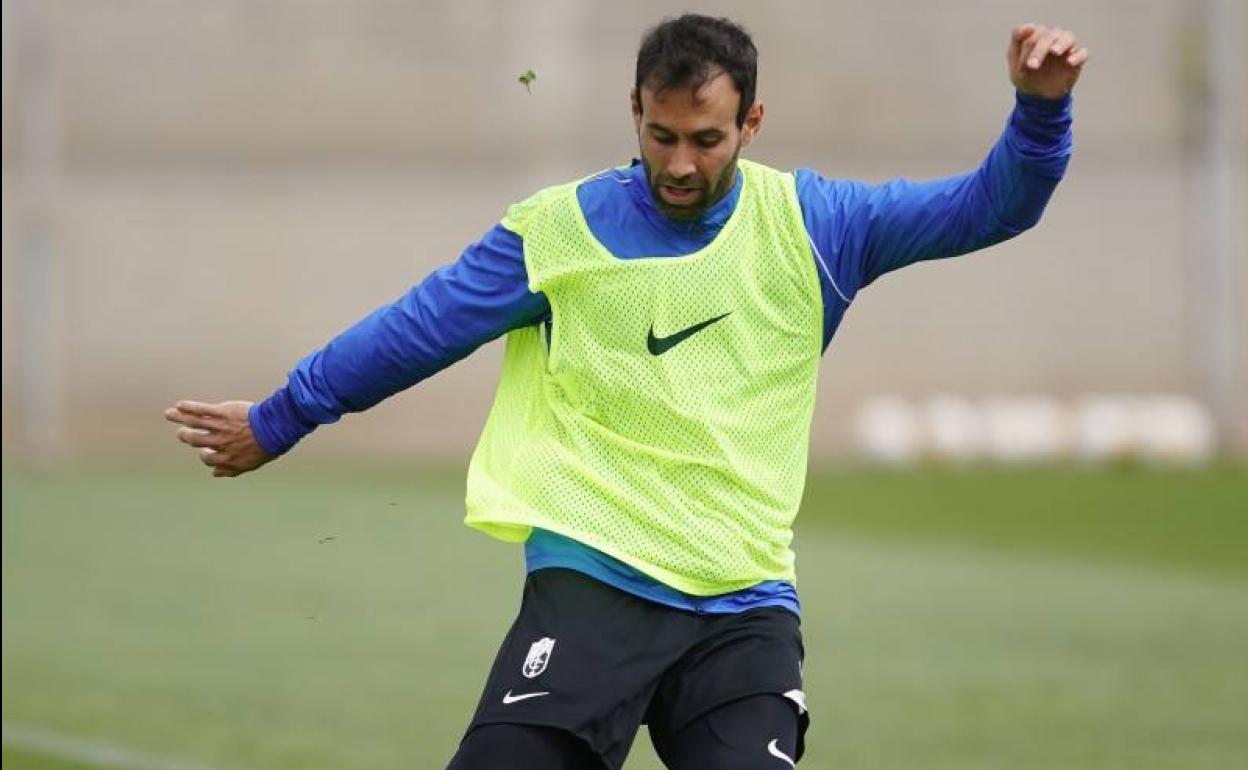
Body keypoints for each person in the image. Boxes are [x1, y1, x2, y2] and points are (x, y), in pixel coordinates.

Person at [165, 14, 1088, 769]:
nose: (680, 164)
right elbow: (419, 328)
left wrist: (1040, 111)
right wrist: (281, 417)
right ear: (634, 111)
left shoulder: (817, 226)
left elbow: (992, 205)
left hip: (743, 602)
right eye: (661, 135)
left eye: (707, 140)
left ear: (752, 124)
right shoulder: (559, 232)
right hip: (593, 581)